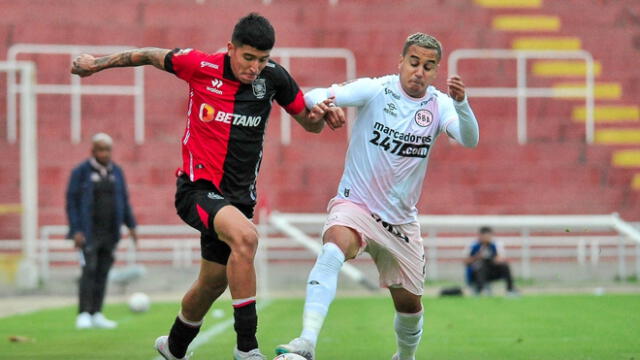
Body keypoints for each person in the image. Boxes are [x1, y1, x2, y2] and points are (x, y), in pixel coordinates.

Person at [70, 13, 342, 360]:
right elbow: (149, 54)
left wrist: (322, 117)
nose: (255, 67)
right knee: (246, 238)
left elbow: (309, 122)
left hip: (239, 199)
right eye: (248, 58)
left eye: (262, 59)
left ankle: (174, 346)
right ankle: (247, 348)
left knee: (213, 282)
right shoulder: (200, 65)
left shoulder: (273, 78)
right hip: (196, 189)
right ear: (231, 49)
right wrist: (97, 64)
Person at [275, 33, 480, 360]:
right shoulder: (376, 90)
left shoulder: (440, 105)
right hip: (355, 205)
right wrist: (325, 105)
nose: (419, 72)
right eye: (413, 63)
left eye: (428, 67)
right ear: (400, 62)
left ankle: (405, 357)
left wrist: (461, 104)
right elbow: (313, 96)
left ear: (436, 71)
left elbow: (469, 139)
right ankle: (306, 342)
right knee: (331, 250)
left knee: (410, 306)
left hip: (400, 221)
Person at [66, 132, 138, 330]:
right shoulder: (80, 172)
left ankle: (97, 312)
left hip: (110, 232)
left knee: (103, 272)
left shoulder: (117, 172)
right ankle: (83, 313)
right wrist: (76, 230)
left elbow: (124, 200)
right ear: (93, 150)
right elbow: (71, 203)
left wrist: (131, 225)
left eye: (108, 150)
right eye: (101, 149)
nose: (105, 153)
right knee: (88, 271)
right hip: (88, 232)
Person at [465, 226, 517, 296]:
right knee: (481, 265)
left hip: (493, 269)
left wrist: (494, 258)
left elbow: (501, 258)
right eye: (484, 236)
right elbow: (466, 261)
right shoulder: (473, 245)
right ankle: (480, 290)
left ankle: (510, 289)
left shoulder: (496, 244)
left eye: (488, 236)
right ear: (480, 236)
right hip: (478, 271)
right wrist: (477, 257)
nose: (486, 238)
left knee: (505, 265)